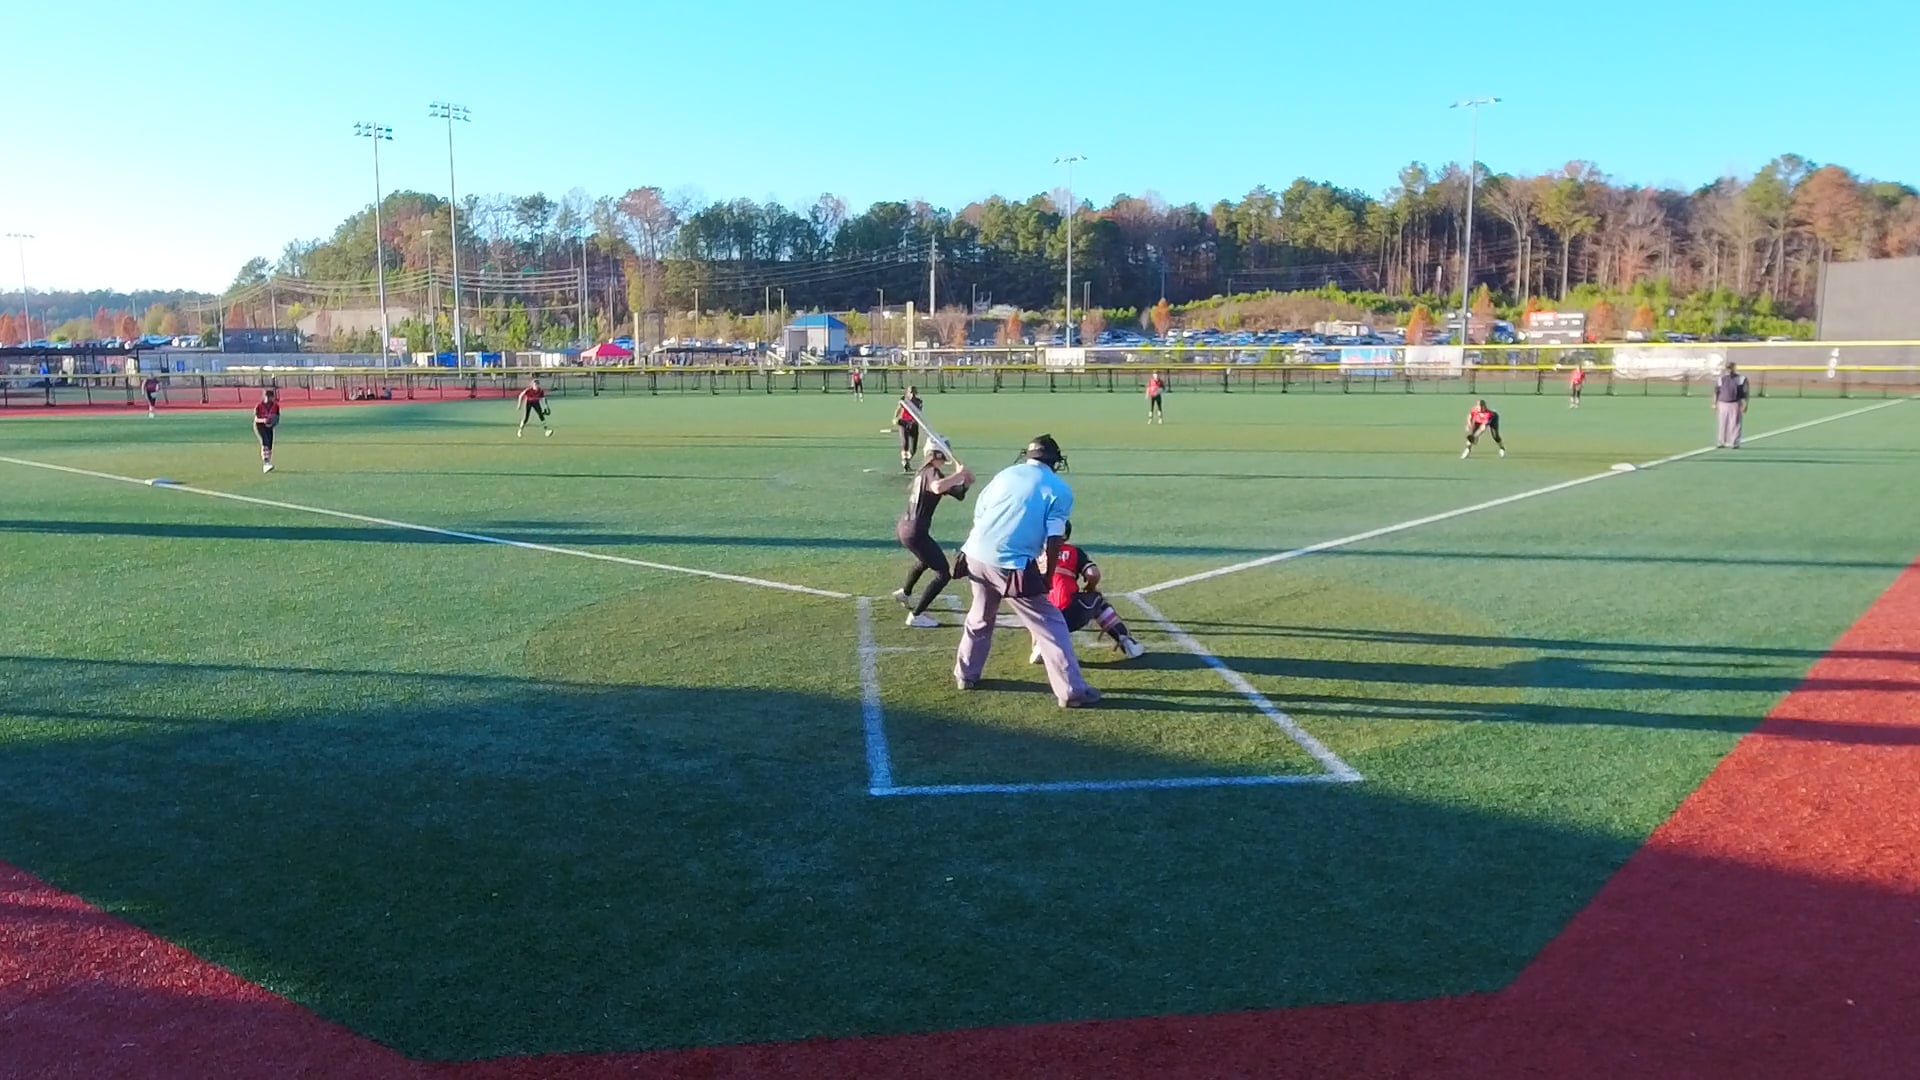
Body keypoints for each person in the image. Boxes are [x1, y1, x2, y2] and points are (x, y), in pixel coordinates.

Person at [953, 434, 1100, 708]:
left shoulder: (1005, 474)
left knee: (980, 615)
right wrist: (1047, 575)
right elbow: (1055, 538)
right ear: (1054, 460)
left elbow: (980, 513)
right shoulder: (1059, 489)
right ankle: (1071, 691)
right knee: (1051, 625)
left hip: (974, 554)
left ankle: (965, 674)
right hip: (1011, 564)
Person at [1033, 521, 1145, 661]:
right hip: (1070, 613)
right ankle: (1127, 642)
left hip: (1044, 616)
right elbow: (1093, 574)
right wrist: (1090, 588)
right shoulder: (1073, 551)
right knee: (1098, 601)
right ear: (1065, 535)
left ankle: (1041, 643)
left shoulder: (1035, 554)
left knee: (1030, 602)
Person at [891, 445, 974, 628]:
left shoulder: (926, 472)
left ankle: (905, 593)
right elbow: (937, 487)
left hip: (906, 528)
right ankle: (917, 615)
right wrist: (958, 475)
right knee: (943, 574)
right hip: (915, 531)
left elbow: (958, 494)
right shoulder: (931, 472)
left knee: (925, 560)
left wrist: (966, 482)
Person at [1714, 361, 1749, 448]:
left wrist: (1746, 404)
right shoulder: (1721, 379)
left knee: (1735, 424)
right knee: (1722, 423)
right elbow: (1716, 392)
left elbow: (1746, 393)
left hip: (1735, 403)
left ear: (1734, 368)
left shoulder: (1741, 379)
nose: (1729, 370)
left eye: (1731, 368)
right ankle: (1721, 442)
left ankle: (1734, 442)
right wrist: (1714, 403)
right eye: (1728, 368)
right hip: (1723, 403)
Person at [895, 386, 924, 472]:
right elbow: (898, 409)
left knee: (913, 449)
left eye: (914, 393)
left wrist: (915, 421)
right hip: (904, 423)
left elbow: (919, 413)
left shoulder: (919, 402)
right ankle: (904, 461)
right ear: (907, 393)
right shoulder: (903, 400)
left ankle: (907, 461)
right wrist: (895, 418)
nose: (912, 395)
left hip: (913, 424)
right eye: (911, 392)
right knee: (905, 444)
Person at [253, 388, 280, 473]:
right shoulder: (259, 406)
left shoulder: (276, 406)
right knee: (265, 442)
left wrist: (272, 423)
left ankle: (268, 462)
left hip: (269, 426)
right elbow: (256, 419)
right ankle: (266, 463)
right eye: (267, 396)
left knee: (270, 445)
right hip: (260, 426)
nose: (268, 398)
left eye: (270, 397)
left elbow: (277, 418)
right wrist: (263, 420)